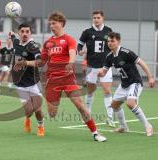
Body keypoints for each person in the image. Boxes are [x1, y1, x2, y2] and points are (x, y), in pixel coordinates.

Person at [15, 11, 107, 142]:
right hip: (52, 81)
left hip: (68, 79)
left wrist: (71, 62)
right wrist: (26, 62)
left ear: (61, 24)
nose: (51, 26)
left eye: (54, 23)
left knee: (80, 105)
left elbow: (72, 52)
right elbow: (41, 62)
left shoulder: (69, 39)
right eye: (50, 23)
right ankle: (32, 117)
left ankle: (95, 133)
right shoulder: (48, 43)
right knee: (52, 114)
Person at [98, 32, 155, 136]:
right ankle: (123, 126)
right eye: (108, 41)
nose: (110, 43)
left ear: (118, 41)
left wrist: (150, 77)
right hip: (124, 85)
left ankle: (148, 126)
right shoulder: (109, 56)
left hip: (135, 82)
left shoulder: (126, 52)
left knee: (130, 103)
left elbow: (142, 63)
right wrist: (101, 72)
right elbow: (105, 70)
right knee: (114, 105)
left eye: (112, 41)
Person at [77, 10, 115, 127]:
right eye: (94, 18)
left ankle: (110, 117)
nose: (96, 20)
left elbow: (113, 44)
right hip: (91, 66)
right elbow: (79, 46)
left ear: (102, 18)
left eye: (98, 17)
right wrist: (80, 51)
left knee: (107, 91)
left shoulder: (108, 31)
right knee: (90, 90)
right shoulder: (87, 32)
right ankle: (87, 114)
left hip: (105, 66)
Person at [10, 23, 45, 136]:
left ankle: (41, 126)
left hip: (33, 83)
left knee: (38, 109)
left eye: (27, 31)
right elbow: (13, 37)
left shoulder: (33, 46)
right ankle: (27, 119)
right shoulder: (16, 42)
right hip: (20, 84)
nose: (25, 34)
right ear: (19, 33)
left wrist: (25, 62)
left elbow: (39, 62)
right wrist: (11, 35)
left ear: (30, 33)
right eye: (22, 31)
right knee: (29, 110)